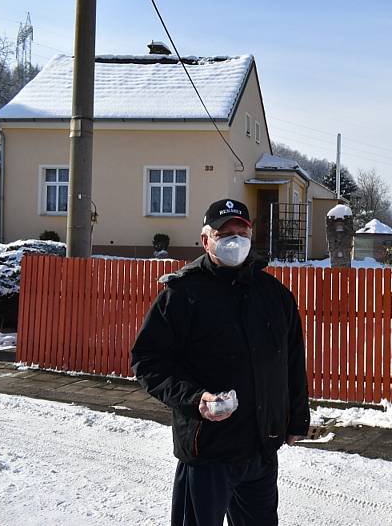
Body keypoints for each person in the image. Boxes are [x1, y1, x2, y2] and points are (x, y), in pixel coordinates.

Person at [132, 198, 310, 526]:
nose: (234, 239)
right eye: (224, 232)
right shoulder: (182, 294)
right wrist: (194, 398)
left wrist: (296, 419)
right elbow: (147, 360)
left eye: (241, 231)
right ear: (205, 240)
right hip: (207, 450)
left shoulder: (274, 294)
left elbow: (292, 361)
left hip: (261, 448)